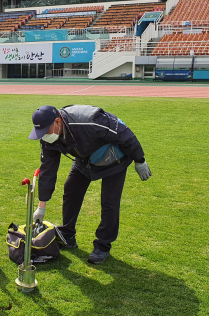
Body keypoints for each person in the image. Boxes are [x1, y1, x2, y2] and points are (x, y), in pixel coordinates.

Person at [28, 105, 151, 264]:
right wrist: (41, 206)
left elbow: (122, 131)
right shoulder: (48, 137)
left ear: (57, 122)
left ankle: (103, 246)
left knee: (109, 202)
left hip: (114, 159)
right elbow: (47, 171)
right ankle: (68, 235)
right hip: (85, 159)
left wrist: (139, 160)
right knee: (71, 190)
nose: (43, 136)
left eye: (45, 130)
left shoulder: (88, 121)